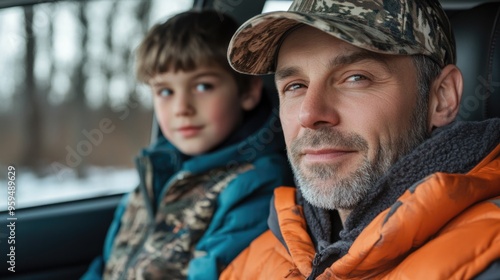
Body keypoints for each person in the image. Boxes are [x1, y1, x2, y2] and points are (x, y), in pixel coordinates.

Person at [220, 0, 500, 279]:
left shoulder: (488, 256)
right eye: (295, 86)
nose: (309, 114)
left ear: (442, 97)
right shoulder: (261, 258)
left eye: (356, 78)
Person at [81, 9, 294, 280]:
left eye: (203, 86)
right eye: (166, 91)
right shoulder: (153, 177)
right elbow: (107, 264)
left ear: (248, 91)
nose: (182, 108)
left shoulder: (255, 184)